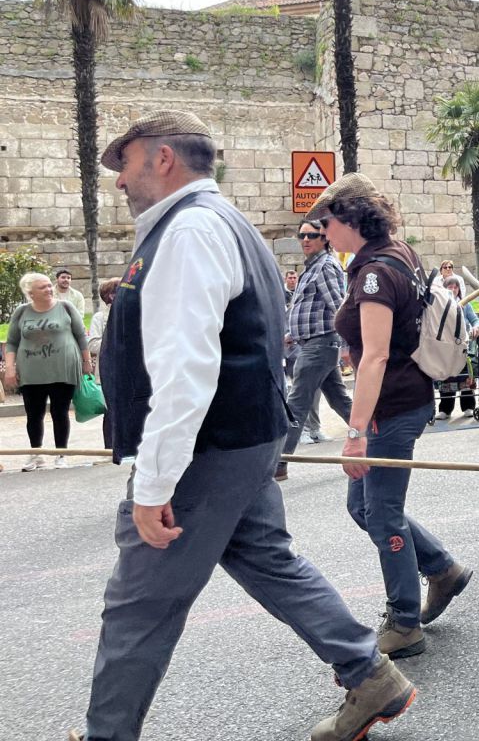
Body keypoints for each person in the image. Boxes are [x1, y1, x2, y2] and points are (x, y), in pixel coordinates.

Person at [73, 111, 416, 741]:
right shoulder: (223, 224)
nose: (118, 181)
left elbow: (186, 369)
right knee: (267, 559)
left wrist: (153, 483)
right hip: (243, 437)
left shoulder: (189, 232)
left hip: (207, 447)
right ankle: (371, 676)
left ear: (162, 158)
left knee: (139, 606)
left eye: (123, 163)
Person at [307, 172, 473, 661]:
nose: (321, 233)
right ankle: (442, 568)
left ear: (350, 220)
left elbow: (375, 356)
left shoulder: (375, 274)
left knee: (380, 514)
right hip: (403, 399)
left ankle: (404, 622)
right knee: (364, 508)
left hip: (392, 406)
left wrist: (356, 433)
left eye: (326, 223)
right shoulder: (396, 252)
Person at [277, 219, 352, 480]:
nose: (305, 239)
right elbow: (311, 309)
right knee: (339, 399)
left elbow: (338, 306)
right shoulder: (311, 268)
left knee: (296, 401)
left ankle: (279, 462)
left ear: (325, 239)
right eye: (302, 235)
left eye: (312, 235)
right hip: (312, 342)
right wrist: (291, 335)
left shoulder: (325, 266)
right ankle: (375, 440)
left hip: (321, 344)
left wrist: (348, 345)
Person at [3, 271, 92, 471]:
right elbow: (11, 342)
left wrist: (87, 362)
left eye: (48, 285)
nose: (49, 289)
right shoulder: (21, 311)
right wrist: (10, 368)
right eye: (42, 287)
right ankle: (36, 454)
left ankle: (62, 454)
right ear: (30, 292)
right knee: (33, 414)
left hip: (63, 368)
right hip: (31, 371)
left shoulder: (66, 307)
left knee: (60, 412)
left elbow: (81, 336)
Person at [437, 274, 479, 420]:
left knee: (466, 376)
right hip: (445, 347)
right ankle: (445, 409)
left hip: (463, 346)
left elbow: (476, 320)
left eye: (455, 287)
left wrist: (476, 327)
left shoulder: (465, 304)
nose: (453, 289)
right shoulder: (439, 305)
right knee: (446, 377)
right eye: (450, 286)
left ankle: (469, 406)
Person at [88, 277, 122, 449]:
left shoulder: (135, 312)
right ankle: (110, 448)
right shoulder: (100, 318)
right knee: (110, 412)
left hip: (132, 370)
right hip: (110, 370)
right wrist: (119, 343)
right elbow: (93, 344)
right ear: (110, 296)